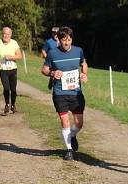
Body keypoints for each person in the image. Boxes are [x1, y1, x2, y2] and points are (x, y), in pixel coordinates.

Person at [41, 26, 88, 161]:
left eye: (68, 39)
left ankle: (72, 136)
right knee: (64, 120)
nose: (66, 43)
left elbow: (84, 64)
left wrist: (84, 74)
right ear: (59, 39)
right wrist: (52, 73)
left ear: (71, 39)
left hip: (76, 93)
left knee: (79, 124)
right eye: (63, 40)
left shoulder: (78, 51)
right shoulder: (52, 53)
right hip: (59, 92)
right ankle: (69, 150)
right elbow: (44, 69)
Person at [0, 27, 22, 114]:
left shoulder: (14, 43)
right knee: (6, 87)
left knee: (13, 89)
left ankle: (13, 105)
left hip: (13, 69)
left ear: (11, 35)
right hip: (3, 69)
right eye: (4, 33)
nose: (6, 36)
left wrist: (11, 57)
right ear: (2, 34)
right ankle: (7, 105)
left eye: (8, 34)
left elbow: (19, 56)